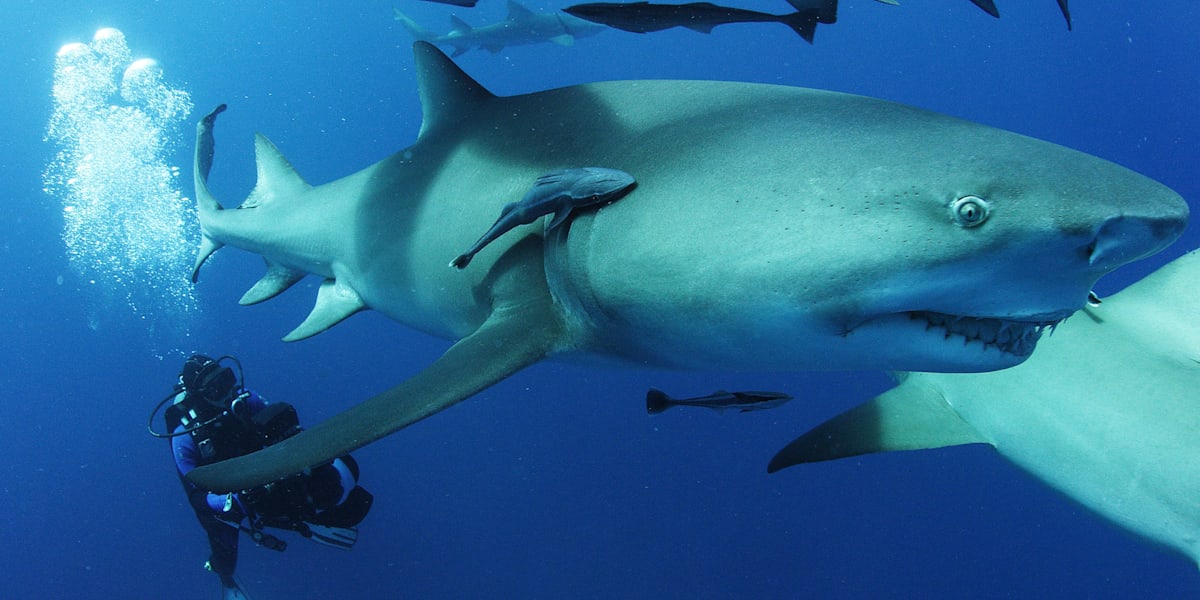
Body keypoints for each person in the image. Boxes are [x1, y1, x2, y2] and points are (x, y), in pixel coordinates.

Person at [152, 354, 373, 600]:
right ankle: (225, 577)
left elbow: (284, 433)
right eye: (216, 389)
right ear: (201, 395)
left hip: (264, 471)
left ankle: (306, 515)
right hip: (228, 495)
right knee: (225, 549)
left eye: (226, 380)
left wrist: (302, 445)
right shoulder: (185, 434)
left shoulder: (245, 401)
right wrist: (231, 501)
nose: (226, 392)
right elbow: (196, 496)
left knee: (344, 474)